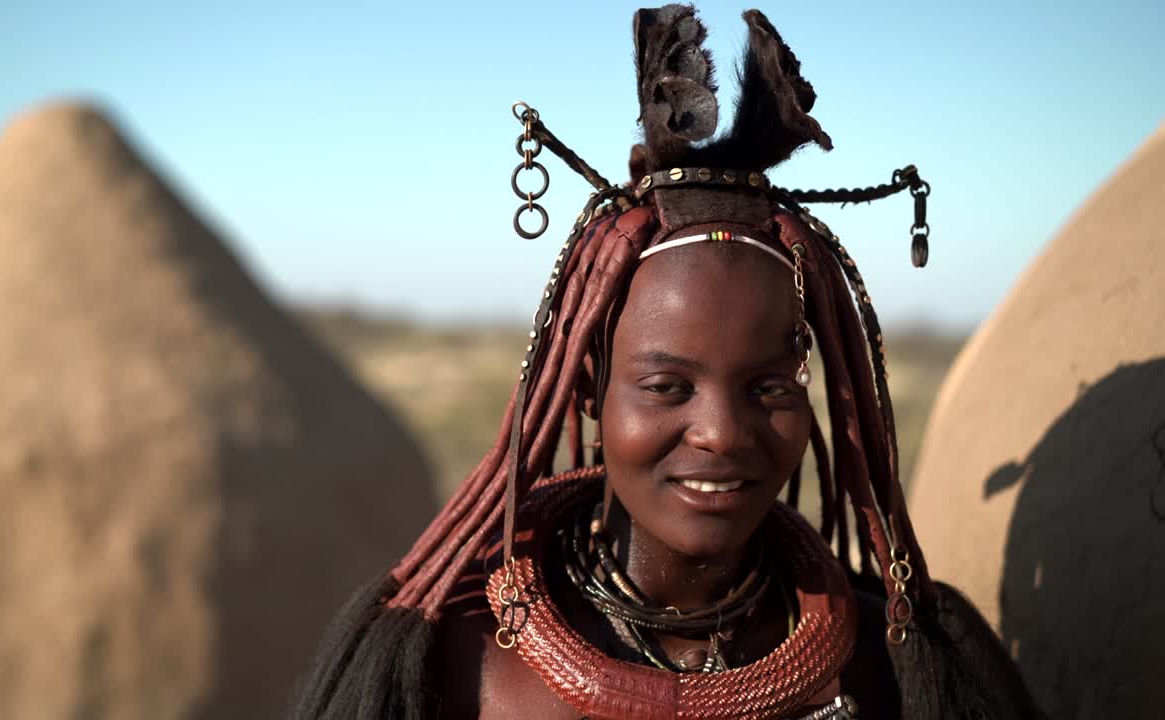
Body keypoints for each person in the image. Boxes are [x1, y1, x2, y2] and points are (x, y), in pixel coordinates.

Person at [293, 7, 1040, 719]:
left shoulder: (891, 667)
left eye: (770, 386)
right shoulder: (455, 666)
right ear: (590, 386)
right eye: (667, 387)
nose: (721, 431)